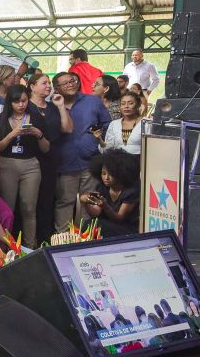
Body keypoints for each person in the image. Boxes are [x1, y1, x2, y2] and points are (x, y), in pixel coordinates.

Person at [50, 70, 109, 229]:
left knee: (90, 200)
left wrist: (93, 135)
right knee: (65, 201)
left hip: (90, 161)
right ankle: (62, 240)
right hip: (65, 163)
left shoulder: (93, 101)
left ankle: (87, 238)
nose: (71, 84)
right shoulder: (52, 106)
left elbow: (106, 124)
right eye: (66, 83)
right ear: (56, 88)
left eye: (72, 81)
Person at [0, 84, 48, 245]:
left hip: (31, 164)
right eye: (17, 102)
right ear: (10, 102)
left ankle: (31, 244)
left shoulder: (37, 118)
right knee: (8, 208)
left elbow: (46, 148)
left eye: (24, 101)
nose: (21, 105)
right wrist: (12, 135)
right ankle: (7, 246)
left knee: (29, 208)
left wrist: (39, 134)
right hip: (7, 163)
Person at [81, 149, 140, 238]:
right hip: (109, 225)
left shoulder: (131, 191)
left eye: (110, 174)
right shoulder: (102, 187)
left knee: (97, 225)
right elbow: (95, 214)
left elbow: (119, 219)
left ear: (120, 173)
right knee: (88, 224)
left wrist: (105, 206)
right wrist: (85, 203)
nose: (106, 178)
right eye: (103, 174)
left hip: (128, 229)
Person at [103, 91, 145, 155]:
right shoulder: (114, 124)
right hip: (117, 161)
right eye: (123, 103)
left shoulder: (146, 123)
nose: (126, 106)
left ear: (138, 105)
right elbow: (108, 148)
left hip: (140, 161)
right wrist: (100, 141)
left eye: (130, 103)